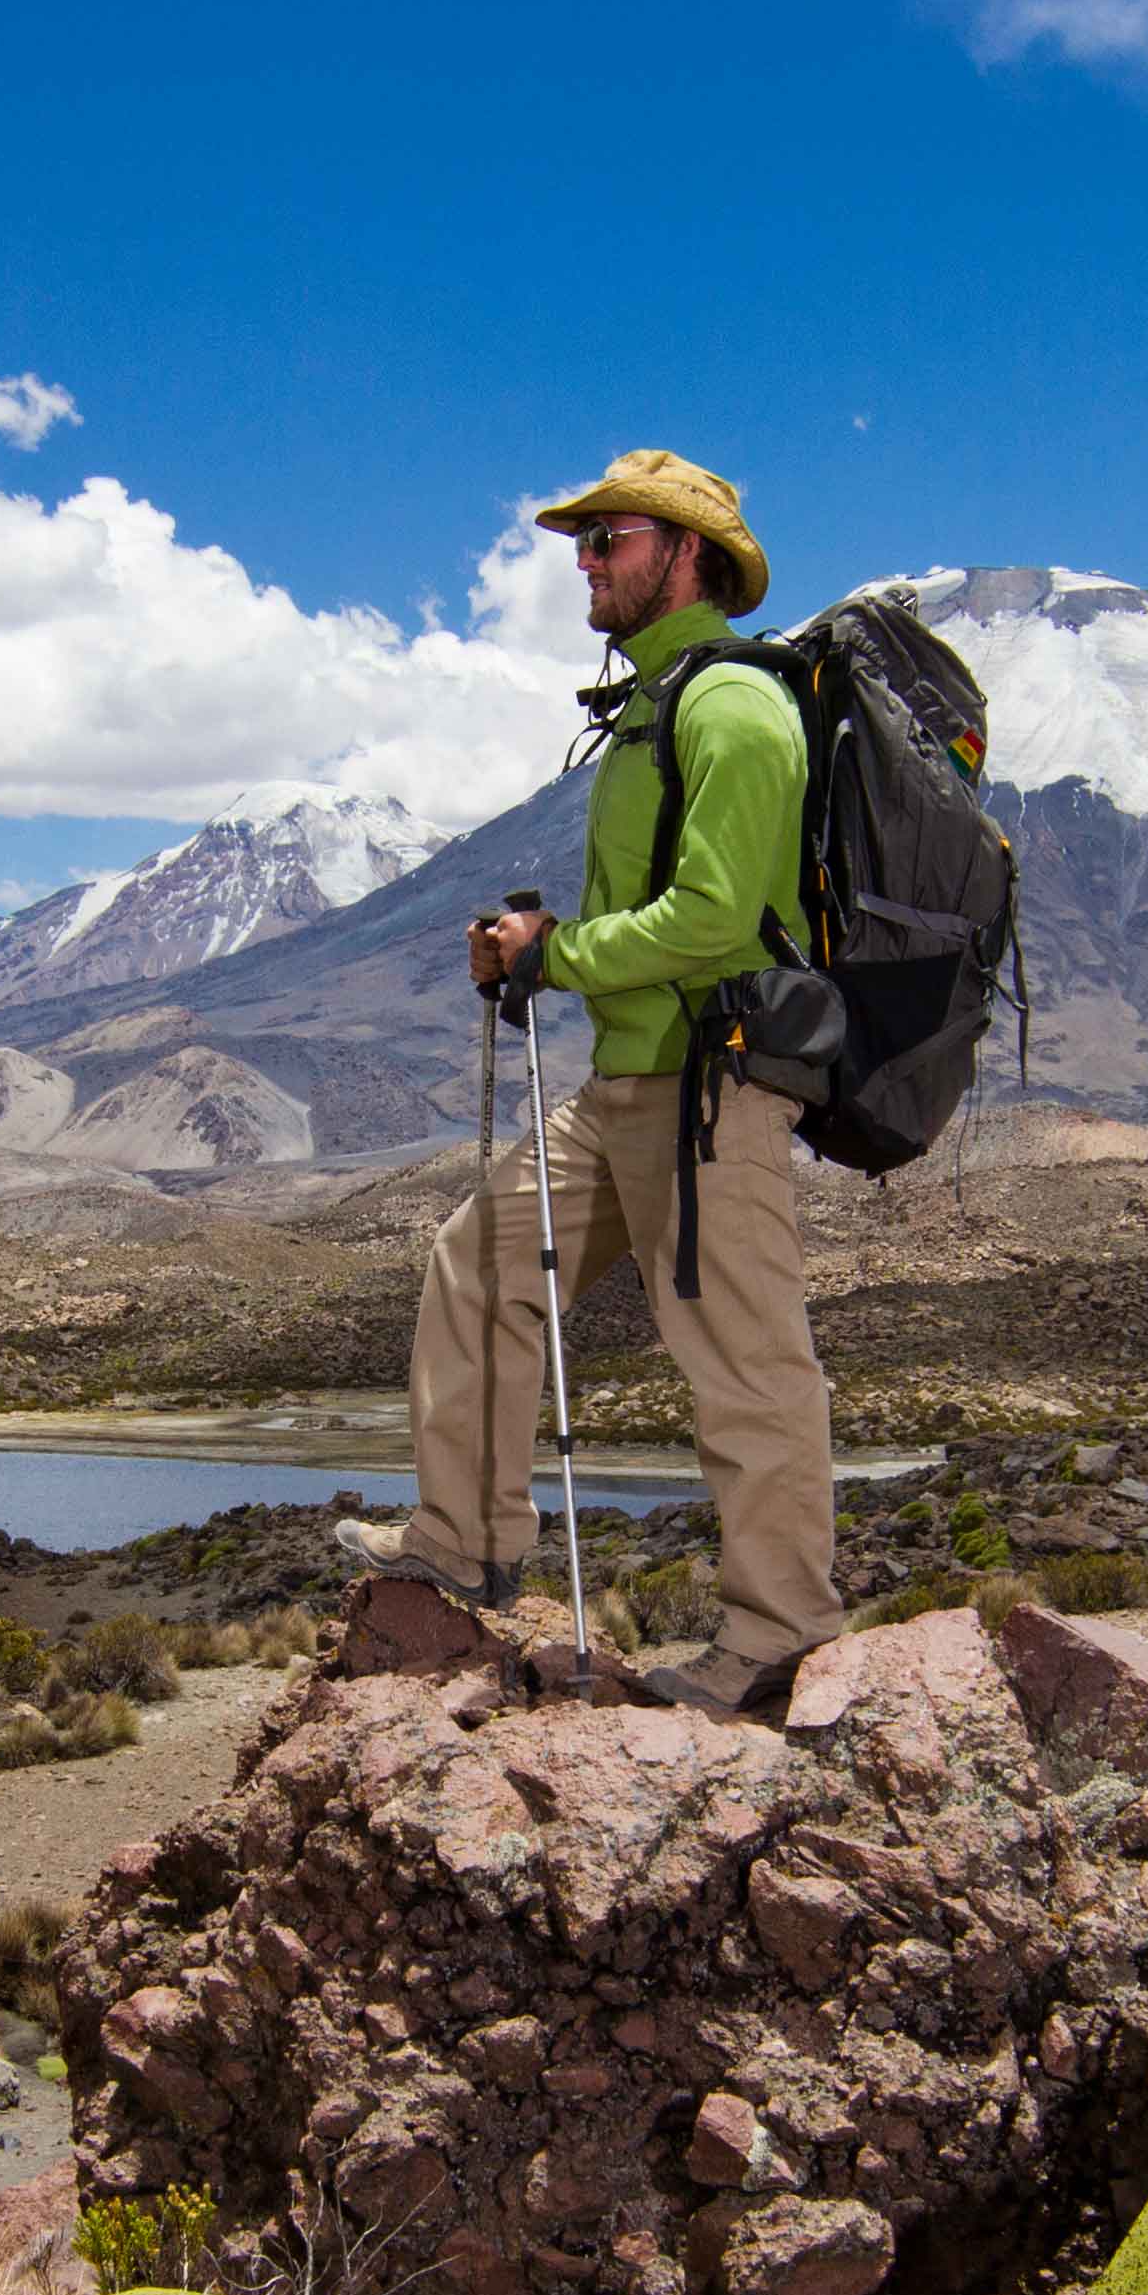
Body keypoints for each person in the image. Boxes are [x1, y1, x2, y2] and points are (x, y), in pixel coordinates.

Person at [334, 449, 839, 1716]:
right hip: (627, 1083)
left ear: (685, 553)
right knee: (479, 1260)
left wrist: (558, 956)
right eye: (584, 540)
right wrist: (552, 952)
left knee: (743, 1365)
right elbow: (661, 914)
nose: (584, 560)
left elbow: (719, 921)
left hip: (708, 1093)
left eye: (607, 538)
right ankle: (464, 1541)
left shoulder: (733, 708)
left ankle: (779, 1638)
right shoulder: (654, 712)